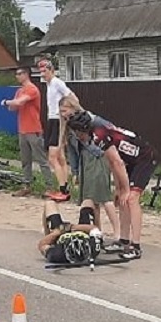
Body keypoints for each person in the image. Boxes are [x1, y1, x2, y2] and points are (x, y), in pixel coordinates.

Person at [66, 109, 157, 261]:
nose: (76, 136)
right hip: (130, 160)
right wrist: (119, 188)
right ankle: (124, 240)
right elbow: (113, 163)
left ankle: (136, 247)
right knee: (122, 198)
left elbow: (118, 162)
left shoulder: (100, 135)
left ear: (82, 129)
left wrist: (127, 189)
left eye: (76, 132)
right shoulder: (96, 135)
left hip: (145, 157)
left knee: (131, 199)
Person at [57, 95, 120, 237]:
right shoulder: (68, 127)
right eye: (61, 111)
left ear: (73, 107)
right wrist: (75, 171)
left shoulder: (89, 119)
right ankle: (96, 230)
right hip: (84, 161)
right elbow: (72, 151)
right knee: (91, 198)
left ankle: (118, 232)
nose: (63, 114)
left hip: (98, 157)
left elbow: (109, 128)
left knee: (104, 196)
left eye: (65, 110)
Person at [2, 66, 54, 198]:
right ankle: (27, 185)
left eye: (19, 74)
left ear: (26, 74)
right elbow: (13, 108)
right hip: (22, 129)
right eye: (16, 74)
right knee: (25, 160)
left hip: (33, 129)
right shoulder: (19, 91)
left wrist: (7, 102)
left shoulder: (32, 89)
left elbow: (19, 102)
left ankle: (49, 186)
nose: (17, 76)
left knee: (41, 159)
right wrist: (12, 103)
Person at [37, 58, 75, 201]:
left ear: (51, 70)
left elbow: (71, 96)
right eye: (41, 72)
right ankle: (64, 186)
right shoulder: (49, 85)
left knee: (52, 157)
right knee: (60, 156)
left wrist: (75, 112)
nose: (43, 75)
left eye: (45, 71)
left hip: (57, 120)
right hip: (52, 119)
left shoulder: (57, 83)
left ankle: (62, 190)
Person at [36, 198, 104, 265]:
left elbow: (41, 245)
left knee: (49, 204)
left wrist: (56, 233)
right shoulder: (93, 248)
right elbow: (94, 228)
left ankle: (47, 234)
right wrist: (71, 227)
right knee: (88, 202)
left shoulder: (57, 255)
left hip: (60, 234)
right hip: (82, 231)